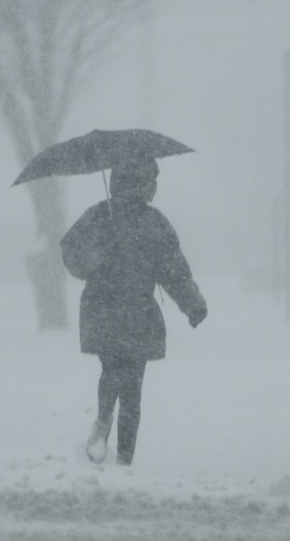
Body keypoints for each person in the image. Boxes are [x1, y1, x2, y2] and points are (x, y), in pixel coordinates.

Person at [60, 156, 207, 466]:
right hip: (128, 312)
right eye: (149, 181)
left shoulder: (104, 216)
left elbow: (71, 251)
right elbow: (174, 272)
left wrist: (192, 303)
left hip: (111, 311)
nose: (153, 188)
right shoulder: (147, 222)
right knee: (127, 383)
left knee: (120, 377)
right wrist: (192, 304)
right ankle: (118, 448)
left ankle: (111, 437)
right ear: (135, 183)